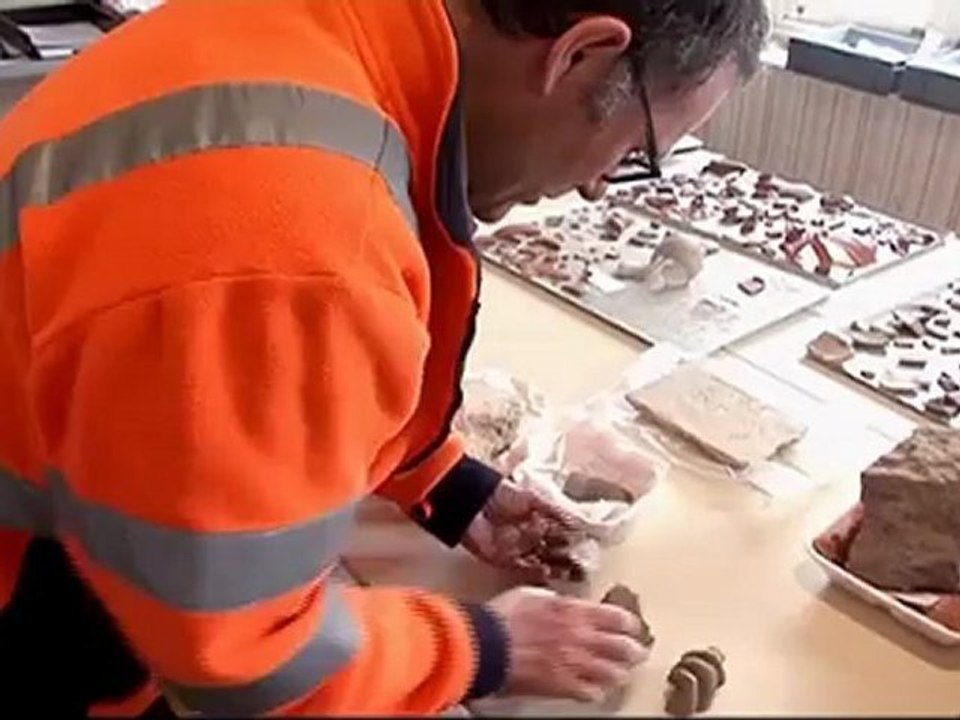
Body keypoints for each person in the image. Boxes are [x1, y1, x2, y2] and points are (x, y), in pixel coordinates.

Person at [0, 0, 768, 715]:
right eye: (637, 149)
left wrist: (446, 484)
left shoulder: (331, 32)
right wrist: (485, 647)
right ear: (579, 54)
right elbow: (239, 660)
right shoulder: (309, 241)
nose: (602, 188)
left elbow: (227, 379)